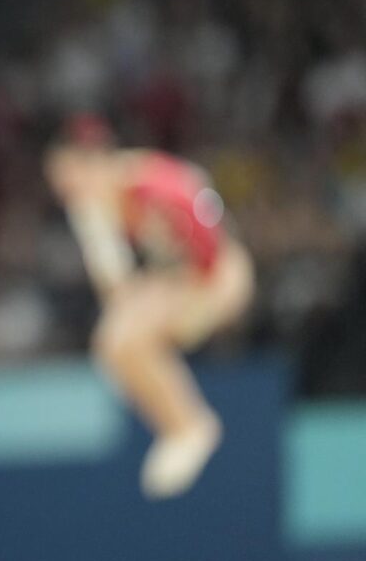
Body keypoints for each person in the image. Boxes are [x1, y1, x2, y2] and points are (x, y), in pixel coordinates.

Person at [45, 114, 254, 500]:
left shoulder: (154, 184)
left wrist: (190, 305)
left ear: (96, 164)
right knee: (112, 343)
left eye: (68, 179)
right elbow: (116, 288)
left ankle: (192, 427)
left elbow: (210, 239)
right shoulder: (90, 206)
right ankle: (179, 425)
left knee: (126, 340)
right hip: (174, 276)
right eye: (59, 183)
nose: (64, 192)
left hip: (220, 275)